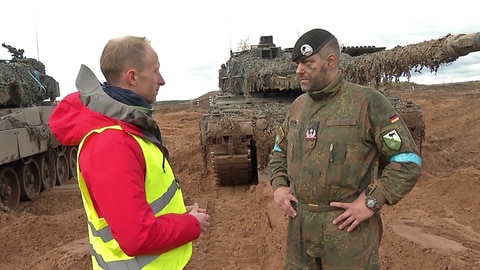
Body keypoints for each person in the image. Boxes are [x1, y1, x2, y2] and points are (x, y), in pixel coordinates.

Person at [48, 36, 210, 270]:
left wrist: (179, 213)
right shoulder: (111, 144)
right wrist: (191, 224)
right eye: (155, 71)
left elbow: (139, 206)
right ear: (132, 77)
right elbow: (137, 237)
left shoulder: (128, 130)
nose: (162, 81)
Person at [269, 28, 421, 269]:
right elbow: (279, 153)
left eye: (308, 63)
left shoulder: (367, 102)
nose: (299, 70)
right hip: (299, 227)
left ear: (331, 61)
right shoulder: (298, 107)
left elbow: (408, 159)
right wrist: (278, 186)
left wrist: (372, 201)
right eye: (298, 64)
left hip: (346, 230)